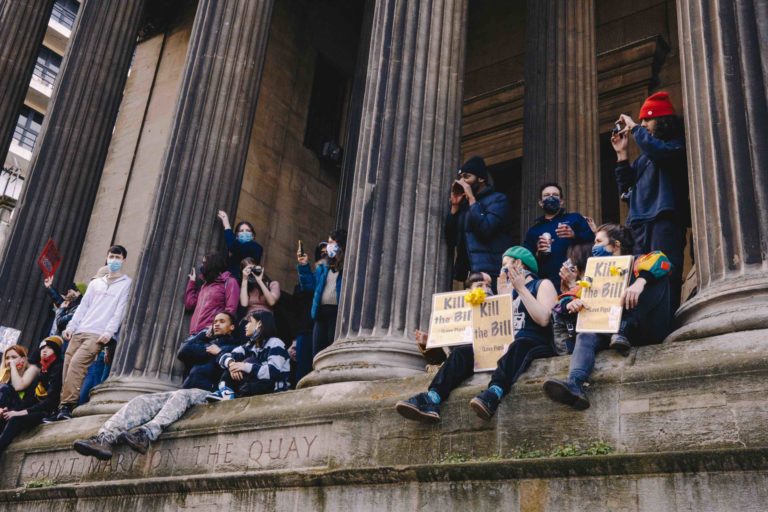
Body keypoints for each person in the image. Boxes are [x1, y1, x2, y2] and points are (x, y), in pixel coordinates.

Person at [396, 246, 557, 423]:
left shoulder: (543, 285)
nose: (501, 270)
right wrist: (503, 297)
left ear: (519, 264)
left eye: (505, 264)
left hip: (533, 343)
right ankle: (432, 397)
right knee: (462, 353)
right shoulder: (509, 292)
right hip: (505, 345)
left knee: (519, 345)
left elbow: (544, 319)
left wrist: (521, 290)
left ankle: (494, 392)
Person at [543, 224, 673, 410]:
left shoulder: (637, 261)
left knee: (656, 277)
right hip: (611, 333)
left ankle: (625, 327)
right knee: (586, 334)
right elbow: (565, 299)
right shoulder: (595, 275)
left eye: (598, 241)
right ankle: (575, 384)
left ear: (615, 244)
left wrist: (640, 282)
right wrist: (570, 303)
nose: (594, 247)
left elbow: (662, 260)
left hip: (643, 328)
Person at [612, 91, 688, 311]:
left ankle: (666, 320)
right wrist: (622, 155)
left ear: (662, 121)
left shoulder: (674, 146)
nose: (643, 124)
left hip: (664, 218)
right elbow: (626, 190)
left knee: (663, 270)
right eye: (641, 120)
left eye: (648, 119)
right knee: (637, 275)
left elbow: (659, 151)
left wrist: (635, 128)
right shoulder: (644, 158)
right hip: (638, 223)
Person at [46, 246, 132, 422]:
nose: (114, 260)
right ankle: (62, 407)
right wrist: (71, 327)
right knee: (67, 366)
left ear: (123, 260)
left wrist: (109, 332)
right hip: (80, 330)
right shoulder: (95, 283)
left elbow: (120, 310)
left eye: (118, 257)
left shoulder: (126, 283)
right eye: (111, 256)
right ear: (107, 257)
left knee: (77, 364)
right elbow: (83, 307)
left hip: (98, 334)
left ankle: (67, 406)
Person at [445, 156, 514, 289]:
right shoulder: (465, 206)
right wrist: (455, 206)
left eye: (467, 177)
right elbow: (451, 239)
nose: (462, 182)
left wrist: (471, 199)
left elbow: (485, 229)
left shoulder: (498, 200)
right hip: (471, 275)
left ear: (481, 179)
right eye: (461, 178)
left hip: (493, 272)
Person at [523, 183, 595, 293]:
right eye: (546, 195)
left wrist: (574, 235)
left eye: (555, 195)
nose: (551, 198)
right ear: (540, 203)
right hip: (546, 284)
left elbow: (593, 243)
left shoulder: (575, 218)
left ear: (561, 201)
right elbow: (526, 262)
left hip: (575, 278)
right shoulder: (534, 230)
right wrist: (538, 253)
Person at [414, 272, 494, 369]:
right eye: (480, 285)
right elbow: (441, 359)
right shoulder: (453, 319)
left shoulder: (499, 311)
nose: (485, 289)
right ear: (468, 290)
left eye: (488, 286)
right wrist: (429, 343)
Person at [0, 337, 64, 454]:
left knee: (14, 419)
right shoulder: (42, 369)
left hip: (46, 412)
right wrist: (8, 411)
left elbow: (50, 402)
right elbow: (30, 399)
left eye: (49, 348)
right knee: (6, 412)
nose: (44, 351)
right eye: (42, 348)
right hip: (31, 407)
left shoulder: (55, 368)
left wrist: (17, 413)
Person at [207, 311, 291, 400]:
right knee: (231, 364)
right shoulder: (250, 345)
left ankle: (232, 395)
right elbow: (228, 356)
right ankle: (225, 392)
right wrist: (232, 365)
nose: (246, 326)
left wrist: (244, 366)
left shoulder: (276, 343)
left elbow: (272, 372)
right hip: (256, 384)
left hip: (274, 389)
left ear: (259, 324)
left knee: (249, 362)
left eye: (249, 322)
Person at [297, 230, 346, 357]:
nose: (328, 246)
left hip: (336, 315)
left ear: (340, 245)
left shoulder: (347, 268)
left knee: (332, 353)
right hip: (320, 315)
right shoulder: (324, 267)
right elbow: (310, 286)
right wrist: (304, 266)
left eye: (331, 242)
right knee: (317, 353)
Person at [177, 311, 240, 392]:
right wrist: (204, 334)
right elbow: (183, 351)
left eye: (222, 321)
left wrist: (218, 351)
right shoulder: (206, 342)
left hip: (209, 392)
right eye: (215, 322)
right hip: (187, 389)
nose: (216, 324)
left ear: (232, 327)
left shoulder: (234, 348)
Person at [292, 242, 327, 384]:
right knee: (303, 372)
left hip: (327, 326)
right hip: (307, 329)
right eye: (322, 254)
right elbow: (309, 287)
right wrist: (304, 266)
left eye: (329, 252)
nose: (326, 256)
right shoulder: (308, 280)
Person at [550, 242, 593, 356]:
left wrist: (573, 286)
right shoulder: (568, 295)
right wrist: (568, 292)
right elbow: (559, 309)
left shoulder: (595, 284)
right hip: (571, 349)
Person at [185, 251, 239, 336]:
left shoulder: (229, 282)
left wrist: (214, 327)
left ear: (213, 264)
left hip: (211, 332)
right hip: (195, 333)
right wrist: (192, 282)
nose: (202, 266)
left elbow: (231, 309)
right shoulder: (205, 285)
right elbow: (190, 304)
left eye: (204, 263)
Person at [217, 210, 263, 277]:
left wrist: (227, 226)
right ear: (237, 236)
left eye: (248, 230)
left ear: (253, 235)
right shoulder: (234, 247)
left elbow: (235, 247)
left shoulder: (256, 247)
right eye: (241, 231)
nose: (245, 233)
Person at [0, 345, 37, 414]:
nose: (10, 361)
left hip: (21, 410)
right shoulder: (6, 375)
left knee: (4, 387)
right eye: (7, 358)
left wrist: (13, 366)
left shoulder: (30, 374)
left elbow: (27, 402)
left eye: (14, 357)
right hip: (5, 410)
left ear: (23, 359)